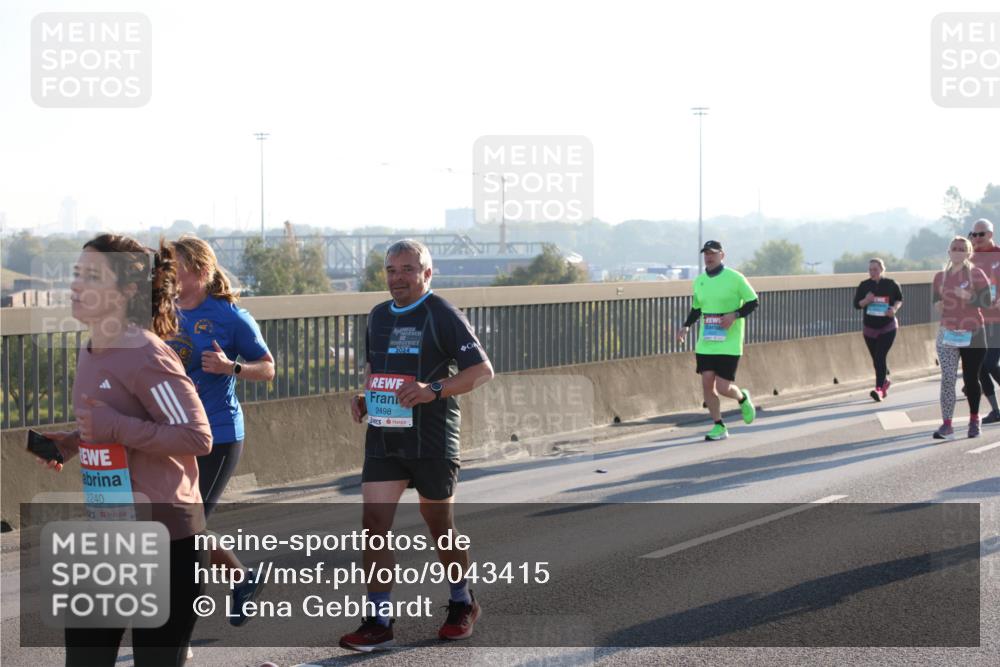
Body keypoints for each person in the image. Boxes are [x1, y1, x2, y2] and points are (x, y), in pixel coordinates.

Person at [33, 233, 213, 666]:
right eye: (77, 273)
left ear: (128, 291)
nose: (76, 285)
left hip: (169, 540)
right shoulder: (93, 348)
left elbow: (197, 435)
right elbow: (117, 427)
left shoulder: (146, 353)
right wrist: (75, 442)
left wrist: (115, 426)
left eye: (92, 276)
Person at [338, 239, 494, 652]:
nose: (398, 278)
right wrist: (364, 397)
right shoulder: (377, 315)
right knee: (373, 526)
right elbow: (376, 369)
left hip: (432, 437)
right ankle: (378, 620)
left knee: (439, 527)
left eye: (408, 269)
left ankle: (462, 602)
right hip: (385, 436)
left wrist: (433, 389)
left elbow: (481, 372)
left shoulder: (440, 313)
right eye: (391, 270)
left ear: (427, 273)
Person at [167, 235, 276, 626]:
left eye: (173, 265)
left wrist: (231, 367)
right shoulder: (162, 312)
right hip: (171, 436)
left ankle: (177, 627)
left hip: (218, 434)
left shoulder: (231, 317)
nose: (166, 272)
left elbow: (267, 368)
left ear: (199, 271)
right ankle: (243, 579)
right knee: (174, 526)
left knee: (184, 528)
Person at [675, 240, 759, 441]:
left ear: (722, 255)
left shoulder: (735, 278)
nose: (708, 257)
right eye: (705, 254)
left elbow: (753, 302)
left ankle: (742, 397)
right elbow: (697, 308)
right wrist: (686, 326)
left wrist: (734, 315)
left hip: (729, 344)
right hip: (706, 342)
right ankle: (719, 426)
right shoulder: (700, 281)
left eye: (712, 253)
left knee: (723, 387)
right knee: (706, 383)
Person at [931, 236, 992, 440]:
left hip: (973, 333)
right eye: (954, 248)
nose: (957, 251)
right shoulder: (940, 277)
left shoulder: (976, 274)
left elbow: (986, 302)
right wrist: (937, 305)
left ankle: (974, 419)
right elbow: (935, 300)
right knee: (947, 379)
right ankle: (947, 424)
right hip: (948, 333)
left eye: (961, 248)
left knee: (970, 379)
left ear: (968, 253)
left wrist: (967, 297)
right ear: (949, 252)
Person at [853, 258, 903, 402]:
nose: (872, 272)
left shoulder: (891, 284)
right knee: (876, 360)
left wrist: (893, 309)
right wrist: (867, 300)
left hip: (887, 327)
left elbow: (899, 299)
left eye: (875, 269)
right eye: (870, 270)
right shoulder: (864, 286)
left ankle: (879, 389)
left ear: (882, 269)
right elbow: (857, 305)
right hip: (869, 329)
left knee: (880, 357)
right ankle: (884, 382)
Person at [968, 219, 1000, 423]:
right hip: (978, 321)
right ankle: (996, 410)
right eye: (974, 234)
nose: (977, 238)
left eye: (981, 234)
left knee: (988, 364)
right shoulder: (969, 259)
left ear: (990, 234)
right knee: (980, 367)